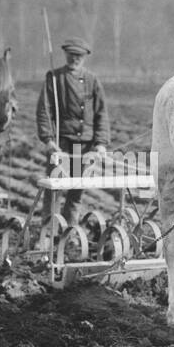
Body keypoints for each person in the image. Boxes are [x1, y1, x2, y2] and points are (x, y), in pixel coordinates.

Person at [35, 37, 110, 227]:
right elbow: (44, 110)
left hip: (84, 146)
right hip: (61, 144)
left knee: (77, 190)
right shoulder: (54, 77)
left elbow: (102, 113)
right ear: (66, 55)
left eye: (79, 56)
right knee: (55, 189)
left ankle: (71, 231)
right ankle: (48, 234)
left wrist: (100, 144)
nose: (74, 59)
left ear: (85, 57)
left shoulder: (92, 80)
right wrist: (49, 141)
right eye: (71, 55)